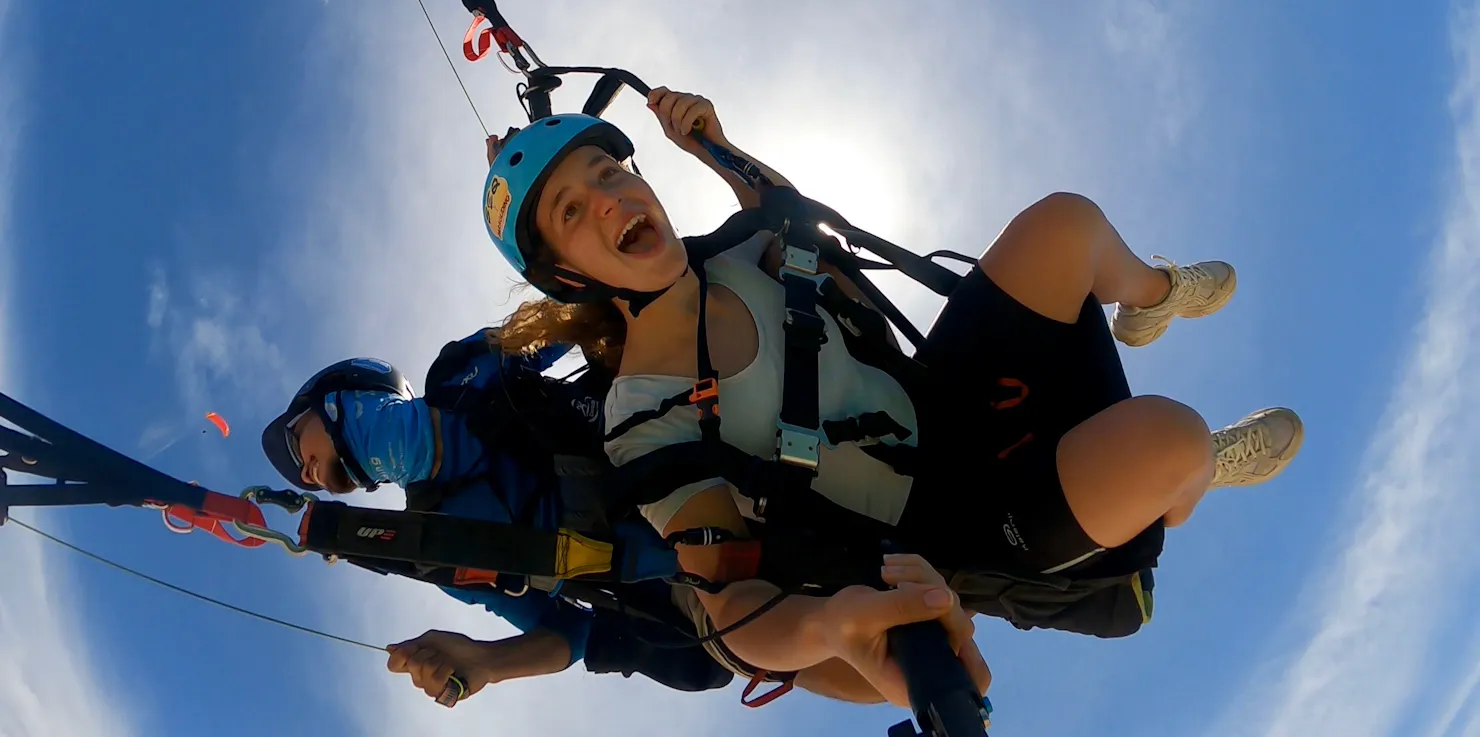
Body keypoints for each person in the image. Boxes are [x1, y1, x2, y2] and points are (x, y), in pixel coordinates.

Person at [479, 87, 1304, 708]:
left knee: (1065, 223)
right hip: (953, 528)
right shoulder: (645, 416)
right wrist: (831, 628)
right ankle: (1191, 483)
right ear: (567, 274)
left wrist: (716, 146)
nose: (614, 200)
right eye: (574, 210)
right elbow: (727, 600)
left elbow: (790, 215)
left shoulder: (736, 253)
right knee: (1174, 439)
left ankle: (1152, 293)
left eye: (610, 172)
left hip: (946, 395)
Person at [257, 327, 904, 706]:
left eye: (297, 446)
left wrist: (538, 221)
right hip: (684, 587)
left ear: (341, 393)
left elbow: (574, 314)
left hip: (690, 449)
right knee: (738, 636)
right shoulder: (435, 543)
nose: (308, 475)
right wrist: (484, 660)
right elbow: (565, 636)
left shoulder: (463, 370)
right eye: (315, 480)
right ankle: (936, 691)